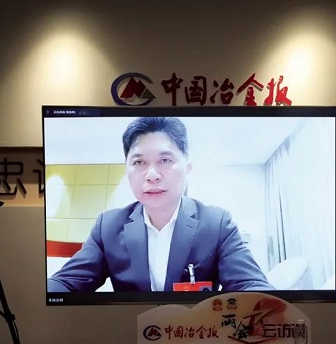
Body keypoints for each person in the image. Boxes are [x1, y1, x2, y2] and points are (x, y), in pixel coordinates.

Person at [48, 117, 274, 293]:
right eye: (139, 162)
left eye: (165, 160)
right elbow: (66, 283)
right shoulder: (108, 226)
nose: (152, 175)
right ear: (127, 171)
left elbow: (251, 286)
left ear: (187, 169)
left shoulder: (217, 224)